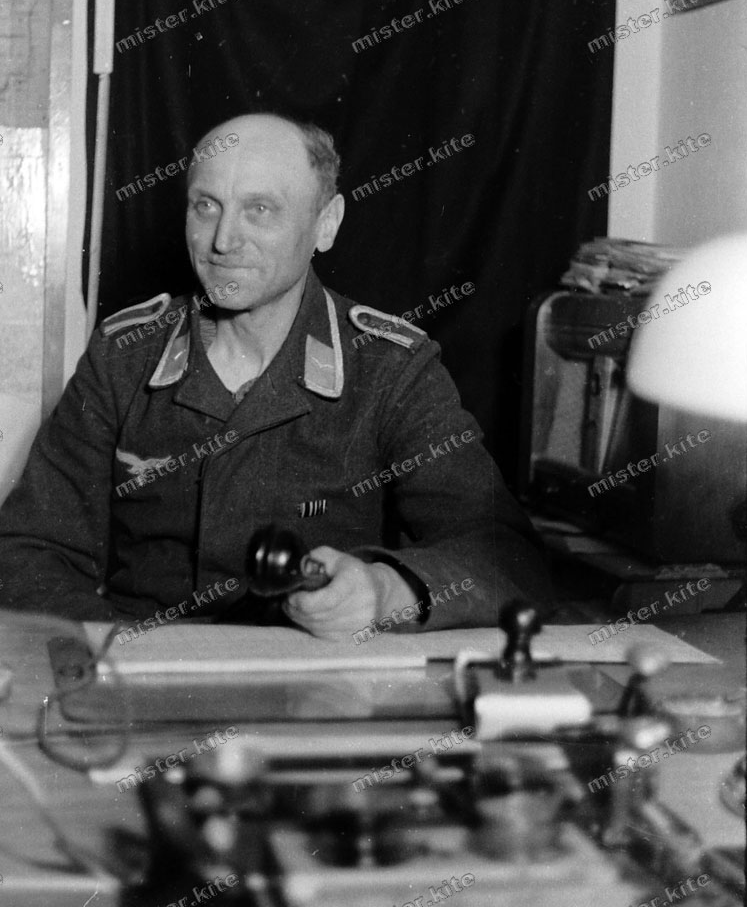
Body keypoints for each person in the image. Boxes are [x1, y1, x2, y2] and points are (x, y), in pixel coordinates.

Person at [0, 113, 549, 636]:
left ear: (326, 224)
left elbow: (508, 557)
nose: (223, 240)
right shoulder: (124, 356)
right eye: (206, 206)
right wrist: (114, 656)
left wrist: (388, 591)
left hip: (317, 677)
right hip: (140, 672)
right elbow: (29, 550)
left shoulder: (390, 369)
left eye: (259, 209)